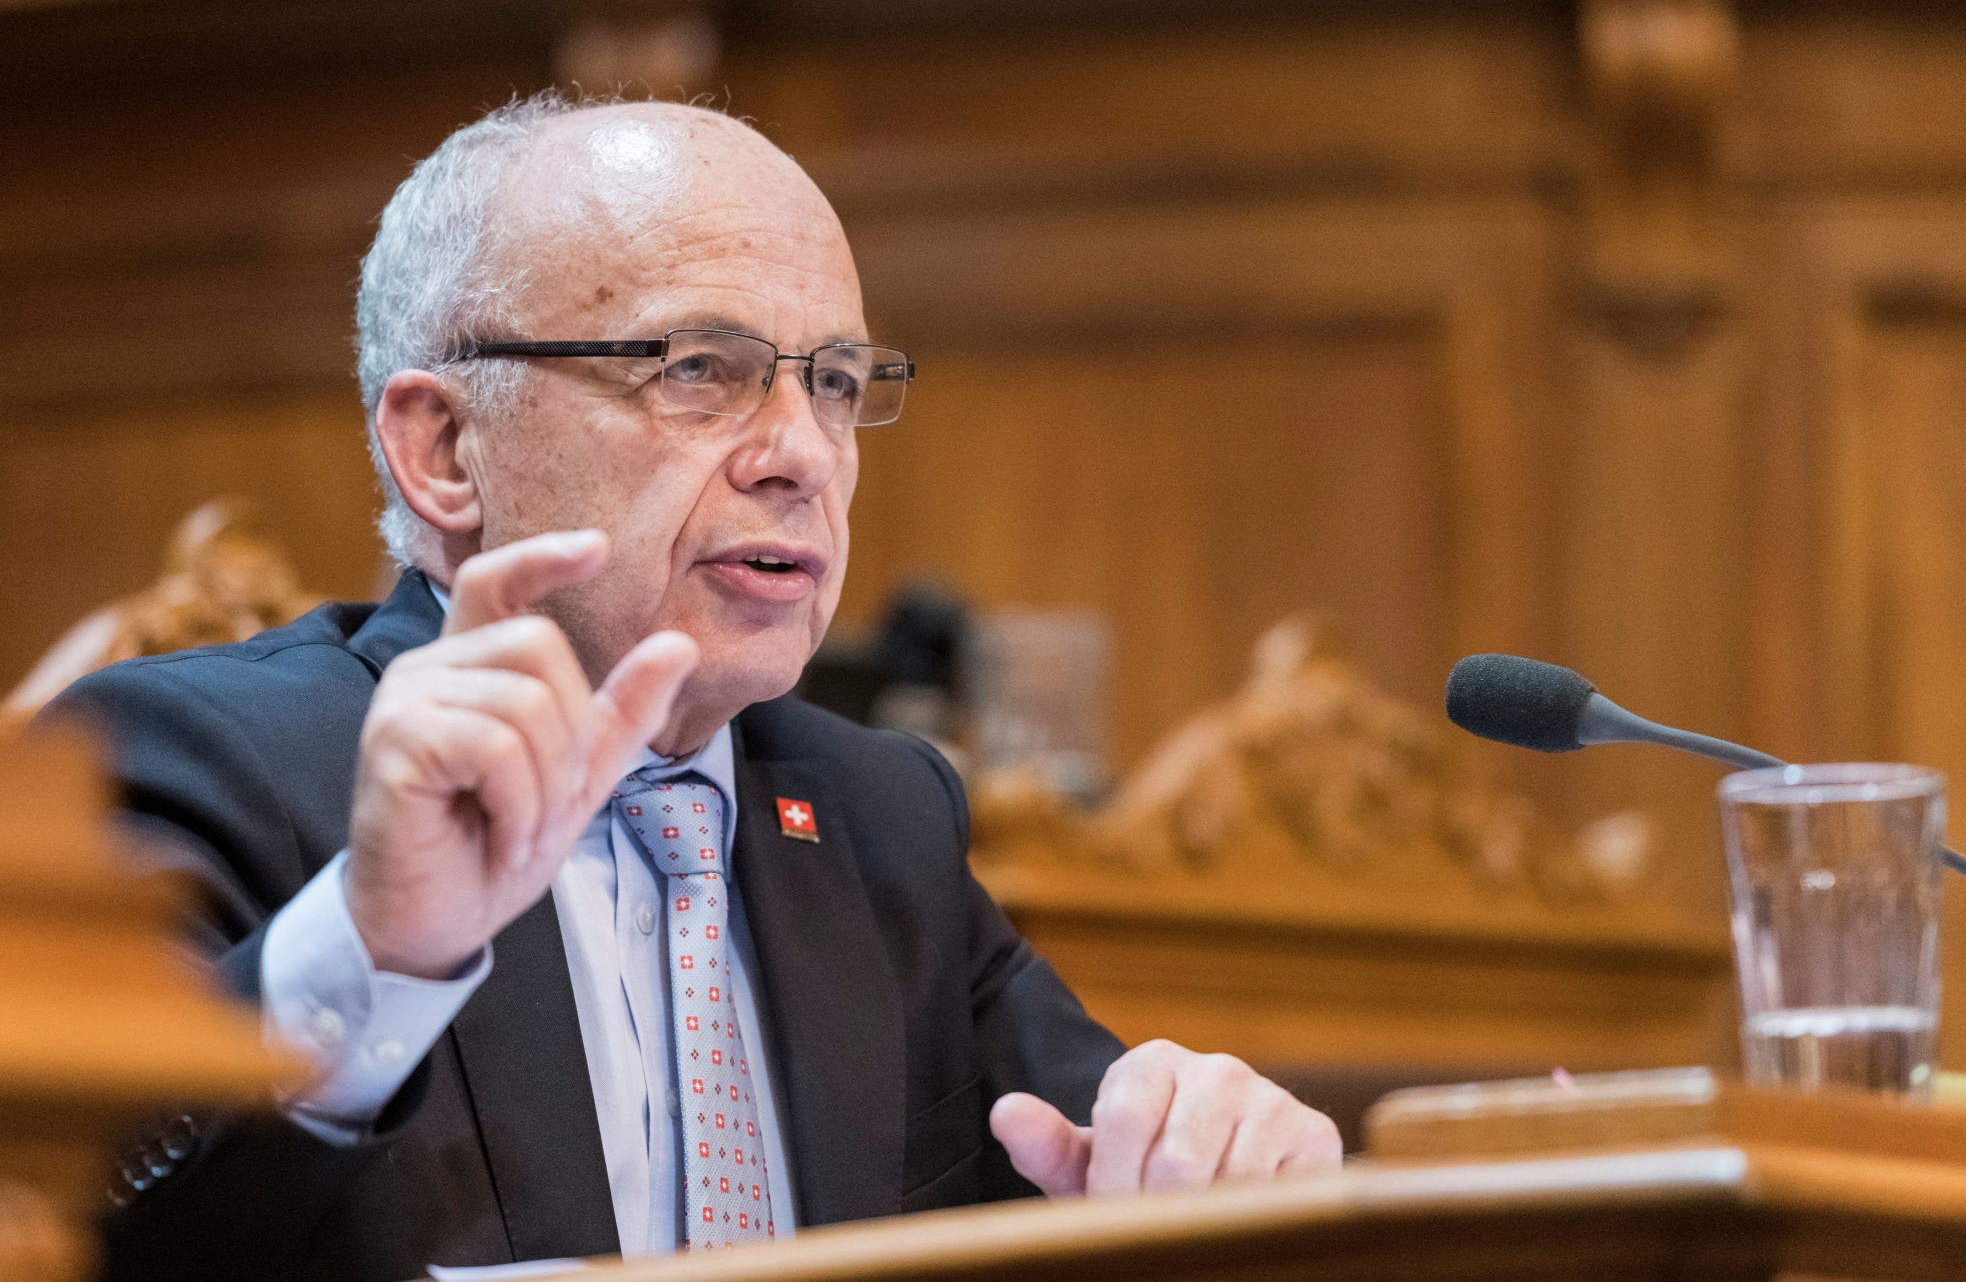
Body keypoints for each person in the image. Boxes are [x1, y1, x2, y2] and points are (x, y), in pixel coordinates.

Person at [45, 94, 1341, 1282]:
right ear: (446, 448)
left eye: (835, 380)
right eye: (699, 370)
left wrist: (1210, 1141)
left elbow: (1110, 1156)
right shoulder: (192, 759)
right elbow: (72, 1219)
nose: (800, 455)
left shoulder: (878, 813)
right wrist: (376, 946)